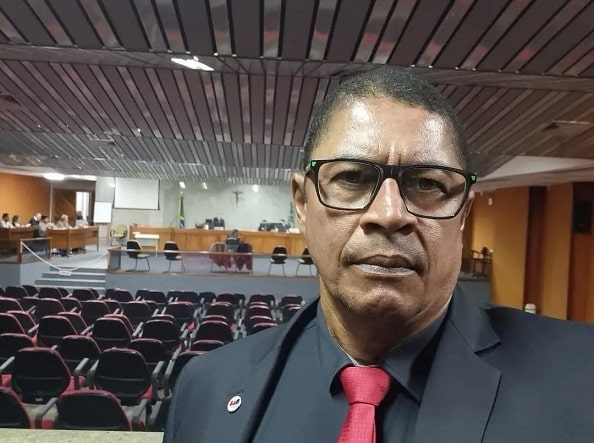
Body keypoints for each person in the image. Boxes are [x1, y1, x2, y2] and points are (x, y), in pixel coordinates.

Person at [164, 67, 594, 442]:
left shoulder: (583, 378)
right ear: (302, 203)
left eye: (427, 184)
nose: (389, 214)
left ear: (463, 213)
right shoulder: (207, 387)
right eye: (352, 177)